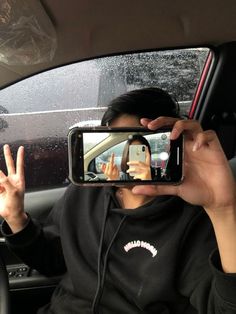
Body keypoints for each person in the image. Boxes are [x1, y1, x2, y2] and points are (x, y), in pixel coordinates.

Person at [0, 87, 236, 314]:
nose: (124, 159)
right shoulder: (85, 192)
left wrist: (224, 209)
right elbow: (52, 261)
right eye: (115, 143)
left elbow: (225, 307)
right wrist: (16, 218)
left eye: (136, 146)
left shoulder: (191, 217)